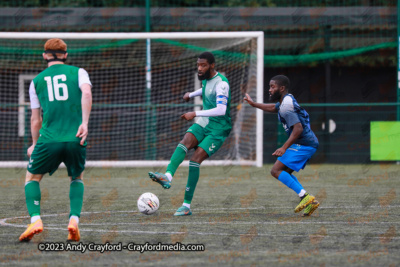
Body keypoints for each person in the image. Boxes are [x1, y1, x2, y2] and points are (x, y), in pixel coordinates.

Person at [19, 38, 92, 242]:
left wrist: (34, 144)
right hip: (76, 137)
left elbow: (36, 119)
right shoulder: (79, 72)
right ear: (65, 55)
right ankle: (74, 221)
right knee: (76, 178)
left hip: (48, 139)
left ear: (45, 55)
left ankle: (35, 219)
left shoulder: (36, 81)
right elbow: (86, 92)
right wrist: (84, 122)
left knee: (32, 178)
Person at [148, 52, 231, 216]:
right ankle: (167, 177)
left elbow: (221, 110)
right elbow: (206, 89)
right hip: (205, 121)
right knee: (185, 140)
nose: (200, 68)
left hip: (219, 128)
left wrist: (195, 113)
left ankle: (186, 206)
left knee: (195, 159)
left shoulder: (223, 84)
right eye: (198, 65)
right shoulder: (208, 79)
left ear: (212, 65)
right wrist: (191, 94)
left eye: (203, 65)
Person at [244, 75, 319, 216]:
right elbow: (273, 107)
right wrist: (254, 104)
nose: (270, 90)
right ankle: (310, 201)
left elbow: (298, 129)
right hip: (306, 143)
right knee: (286, 172)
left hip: (304, 143)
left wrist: (284, 147)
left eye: (273, 87)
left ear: (282, 88)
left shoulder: (286, 106)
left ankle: (305, 197)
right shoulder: (285, 100)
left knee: (275, 170)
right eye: (269, 86)